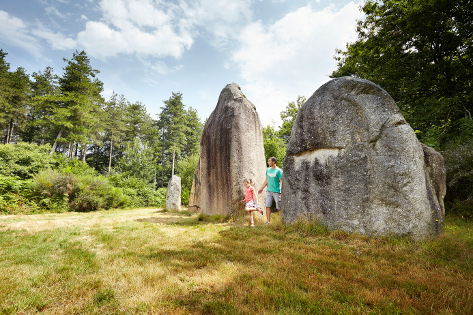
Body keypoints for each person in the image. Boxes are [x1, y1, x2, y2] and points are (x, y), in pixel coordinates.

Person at [258, 157, 283, 224]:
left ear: (273, 162)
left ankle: (281, 222)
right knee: (267, 205)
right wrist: (261, 188)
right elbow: (266, 180)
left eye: (269, 161)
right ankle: (268, 221)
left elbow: (281, 181)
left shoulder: (279, 171)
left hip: (277, 191)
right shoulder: (268, 170)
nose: (268, 162)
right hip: (269, 191)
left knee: (279, 207)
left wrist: (282, 191)